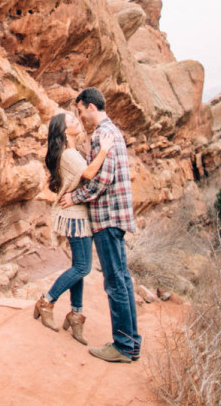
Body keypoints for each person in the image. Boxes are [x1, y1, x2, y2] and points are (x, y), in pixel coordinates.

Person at [59, 87, 141, 363]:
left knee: (115, 283)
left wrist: (75, 196)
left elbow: (101, 180)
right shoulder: (113, 132)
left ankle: (122, 346)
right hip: (117, 216)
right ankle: (131, 343)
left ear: (91, 107)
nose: (80, 116)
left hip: (106, 218)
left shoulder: (102, 135)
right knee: (123, 280)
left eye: (81, 110)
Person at [33, 110, 115, 342]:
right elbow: (89, 173)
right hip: (75, 216)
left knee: (79, 266)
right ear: (62, 130)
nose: (76, 120)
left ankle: (76, 314)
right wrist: (106, 150)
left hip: (79, 214)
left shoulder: (72, 152)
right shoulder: (68, 154)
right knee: (82, 267)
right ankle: (47, 301)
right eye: (70, 120)